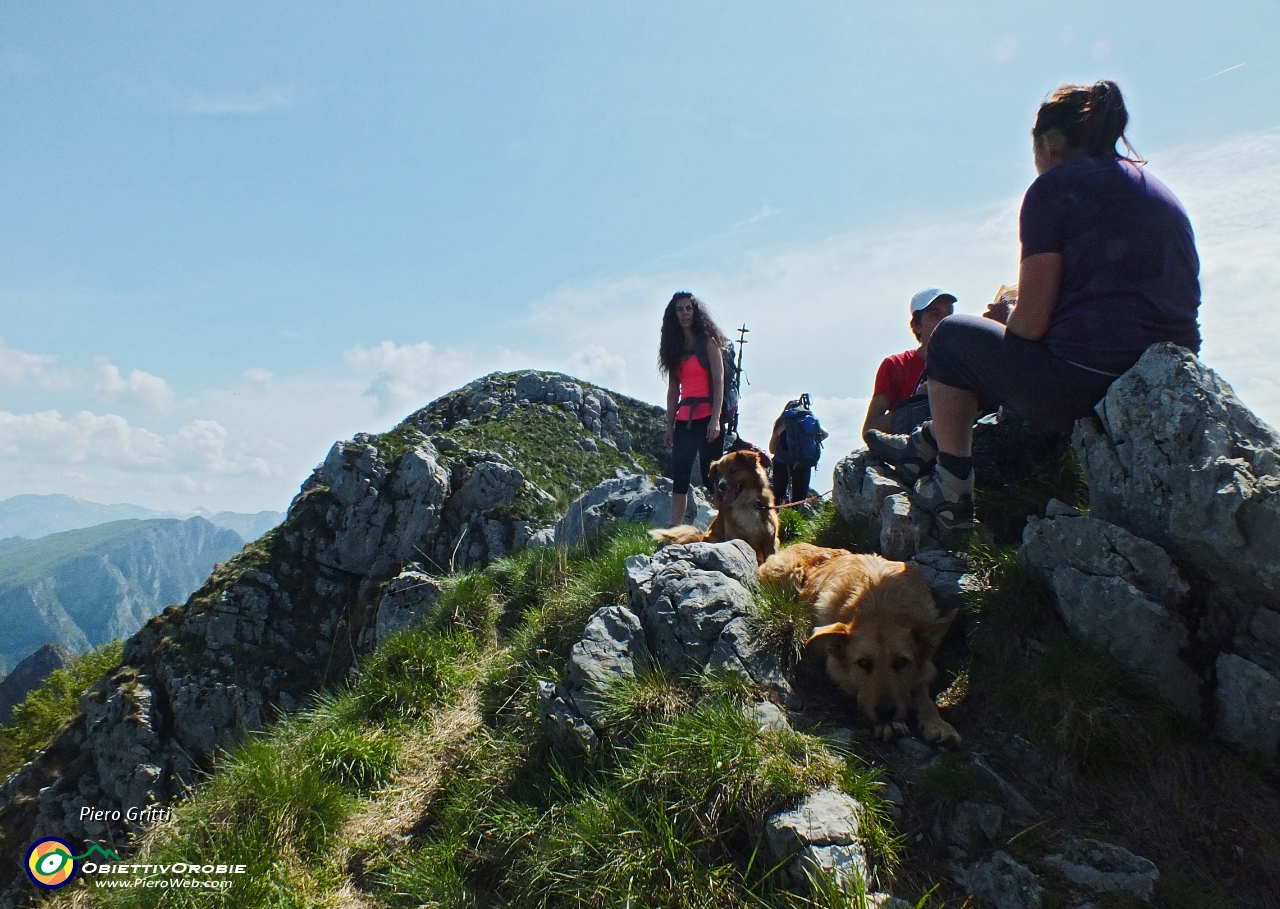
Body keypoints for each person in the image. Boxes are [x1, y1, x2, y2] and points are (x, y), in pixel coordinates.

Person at [867, 81, 1201, 542]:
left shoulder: (1052, 189)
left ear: (1048, 143)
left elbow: (1031, 324)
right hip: (1163, 383)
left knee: (951, 338)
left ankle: (950, 493)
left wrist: (1003, 320)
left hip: (1085, 385)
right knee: (986, 349)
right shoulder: (1161, 194)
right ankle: (924, 441)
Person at [659, 291, 728, 526]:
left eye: (688, 308)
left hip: (709, 417)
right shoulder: (674, 348)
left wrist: (716, 420)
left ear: (695, 311)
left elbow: (719, 381)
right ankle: (674, 529)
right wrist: (669, 426)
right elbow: (673, 389)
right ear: (674, 314)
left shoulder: (708, 341)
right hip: (685, 420)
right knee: (680, 476)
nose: (685, 313)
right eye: (680, 309)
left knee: (714, 478)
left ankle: (726, 524)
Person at [861, 289, 957, 439]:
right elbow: (870, 429)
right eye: (935, 314)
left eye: (949, 312)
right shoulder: (895, 365)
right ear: (916, 326)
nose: (945, 319)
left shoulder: (965, 362)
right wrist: (917, 404)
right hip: (916, 455)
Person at [769, 395, 829, 505]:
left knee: (778, 497)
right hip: (804, 461)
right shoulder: (809, 420)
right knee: (799, 498)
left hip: (782, 462)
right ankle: (796, 519)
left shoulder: (783, 422)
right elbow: (825, 434)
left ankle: (778, 519)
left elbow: (772, 449)